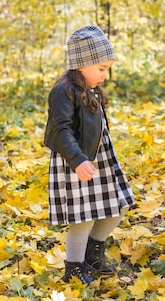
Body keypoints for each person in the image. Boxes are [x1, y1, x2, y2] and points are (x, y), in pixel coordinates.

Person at [44, 25, 135, 284]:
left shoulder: (89, 85)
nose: (105, 75)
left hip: (99, 158)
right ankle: (73, 268)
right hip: (76, 161)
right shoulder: (64, 90)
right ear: (83, 63)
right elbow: (60, 129)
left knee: (119, 203)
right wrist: (78, 160)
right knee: (82, 217)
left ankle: (93, 251)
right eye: (102, 69)